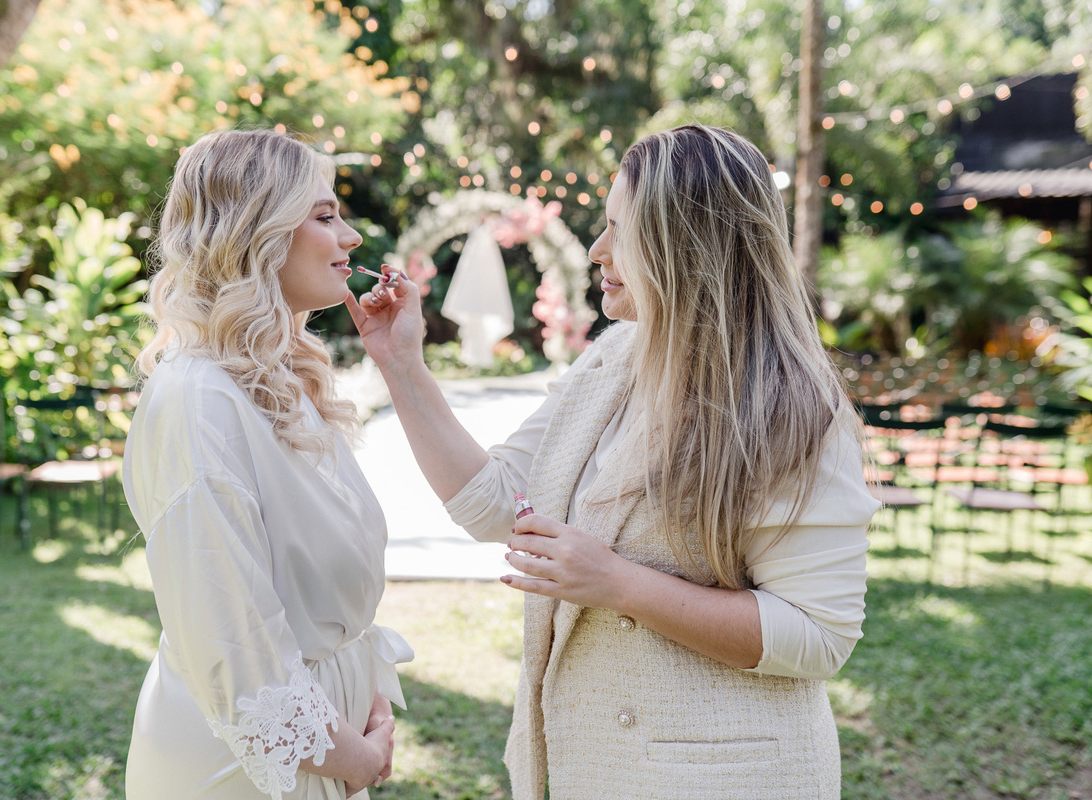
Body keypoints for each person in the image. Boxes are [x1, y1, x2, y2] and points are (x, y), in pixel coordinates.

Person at [346, 124, 879, 799]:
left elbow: (818, 635)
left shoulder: (792, 405)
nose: (598, 250)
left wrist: (618, 583)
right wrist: (402, 365)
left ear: (685, 246)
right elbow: (497, 505)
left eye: (618, 231)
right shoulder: (613, 357)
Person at [123, 128, 412, 800]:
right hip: (244, 771)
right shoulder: (197, 401)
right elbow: (237, 652)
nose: (351, 239)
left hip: (329, 744)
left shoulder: (278, 381)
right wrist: (360, 760)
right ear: (254, 230)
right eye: (325, 215)